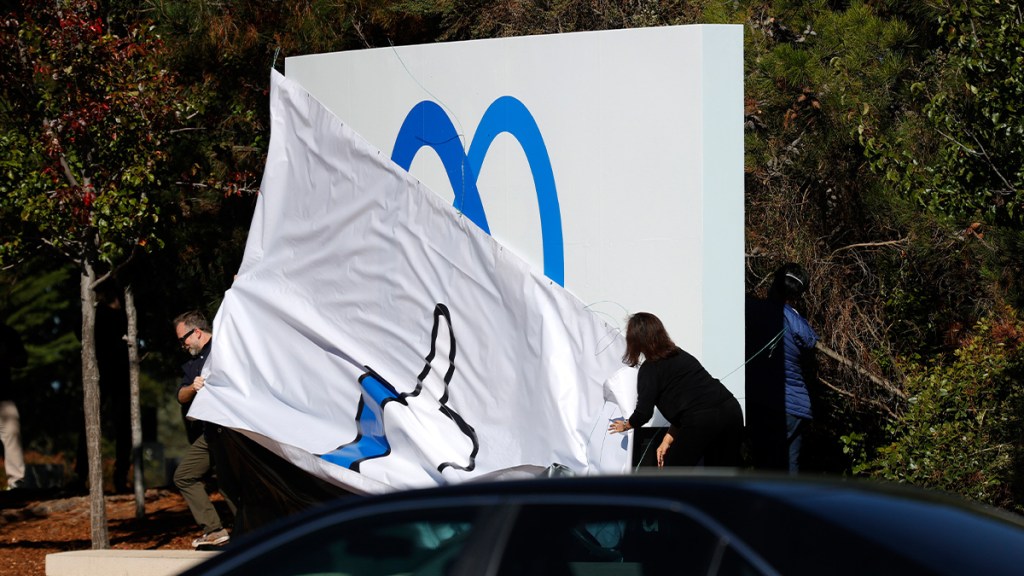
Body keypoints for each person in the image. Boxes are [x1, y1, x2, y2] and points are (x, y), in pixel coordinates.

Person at [608, 312, 743, 468]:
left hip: (703, 420)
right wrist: (667, 441)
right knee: (723, 474)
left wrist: (626, 425)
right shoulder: (679, 354)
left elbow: (644, 413)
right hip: (731, 410)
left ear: (636, 341)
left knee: (673, 473)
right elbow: (688, 409)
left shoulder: (649, 369)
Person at [173, 310, 235, 547]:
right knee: (184, 476)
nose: (182, 345)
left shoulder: (224, 344)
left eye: (184, 339)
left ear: (197, 332)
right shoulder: (190, 364)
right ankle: (215, 530)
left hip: (232, 429)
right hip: (210, 433)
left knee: (230, 484)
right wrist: (192, 387)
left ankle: (250, 534)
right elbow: (181, 395)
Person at [768, 263, 819, 473]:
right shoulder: (799, 323)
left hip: (773, 404)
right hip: (798, 405)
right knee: (790, 468)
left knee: (769, 467)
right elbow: (810, 341)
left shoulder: (766, 313)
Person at [0, 321, 27, 490]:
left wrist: (6, 356)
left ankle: (16, 481)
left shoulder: (6, 332)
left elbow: (22, 359)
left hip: (3, 395)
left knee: (11, 432)